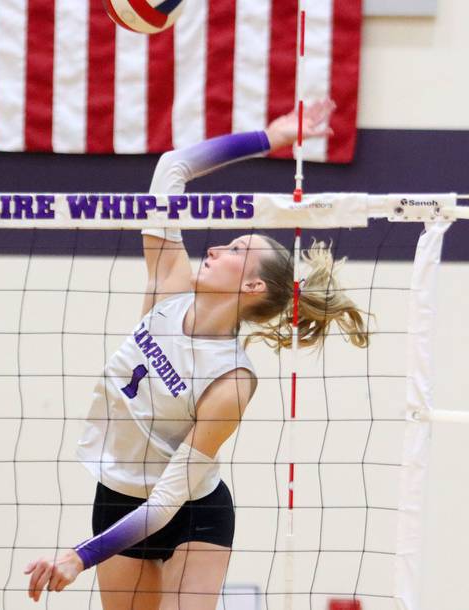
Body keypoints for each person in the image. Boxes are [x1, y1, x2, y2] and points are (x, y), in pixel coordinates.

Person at [25, 100, 369, 610]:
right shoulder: (169, 287)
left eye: (234, 250)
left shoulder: (232, 380)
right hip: (119, 496)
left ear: (252, 285)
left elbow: (169, 498)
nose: (214, 249)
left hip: (190, 509)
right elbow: (173, 167)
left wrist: (80, 557)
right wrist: (270, 138)